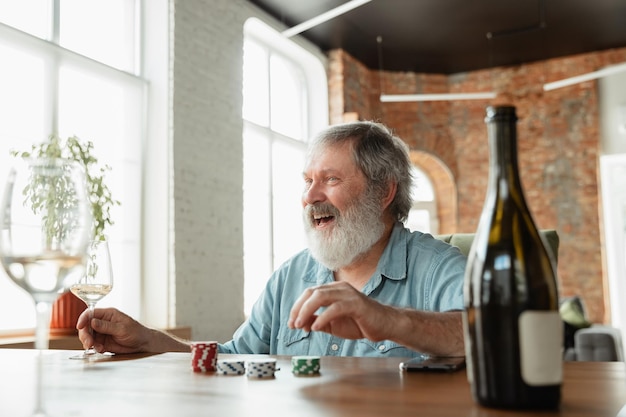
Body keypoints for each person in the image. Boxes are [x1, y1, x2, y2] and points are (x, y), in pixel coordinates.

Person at [77, 121, 467, 358]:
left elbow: (491, 337)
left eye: (330, 179)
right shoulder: (291, 276)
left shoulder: (438, 266)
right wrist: (147, 340)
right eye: (307, 181)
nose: (311, 196)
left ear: (384, 193)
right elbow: (232, 359)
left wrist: (385, 319)